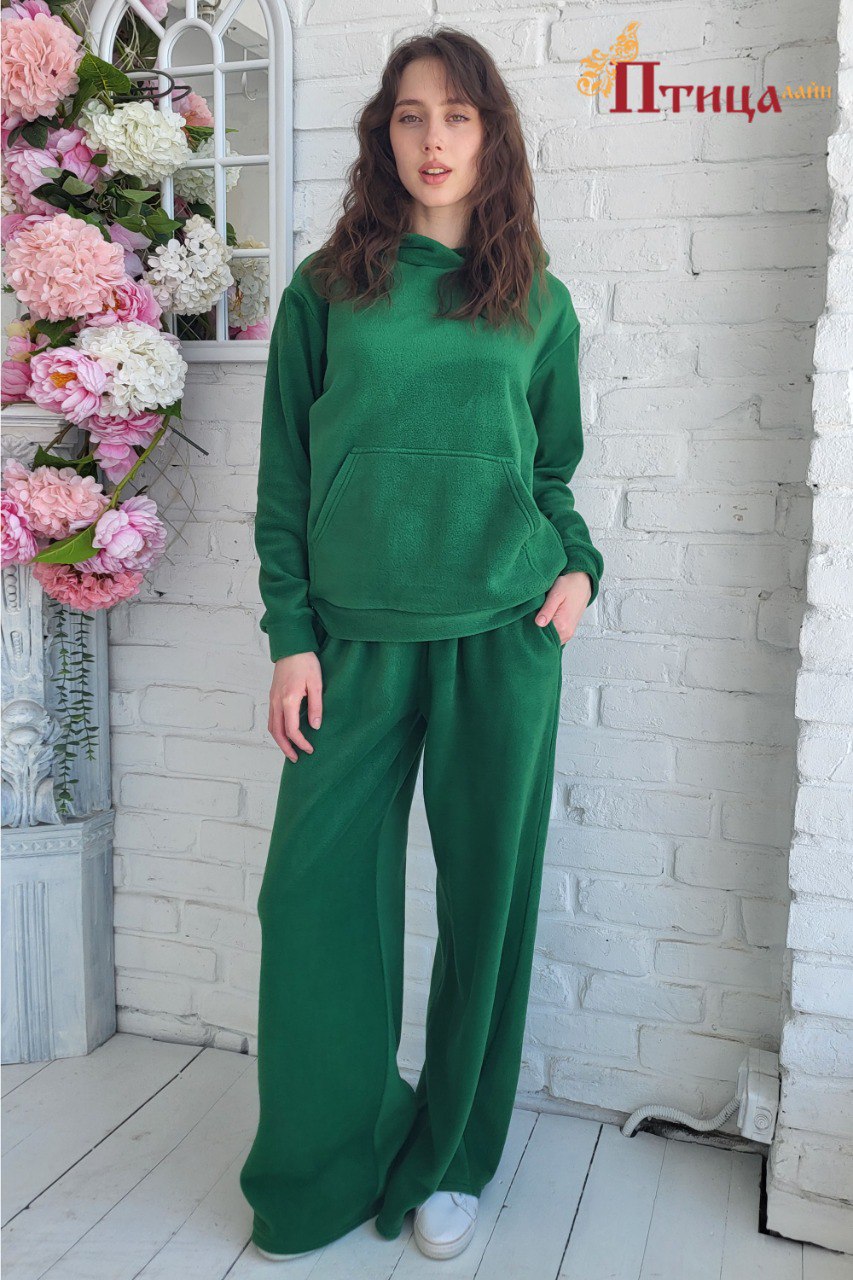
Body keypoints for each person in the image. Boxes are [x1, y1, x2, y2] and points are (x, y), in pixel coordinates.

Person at [238, 27, 604, 1264]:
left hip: (503, 630)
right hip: (351, 643)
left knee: (485, 908)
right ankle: (326, 1161)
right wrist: (291, 635)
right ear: (381, 133)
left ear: (491, 136)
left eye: (457, 115)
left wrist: (578, 567)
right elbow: (284, 477)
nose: (433, 138)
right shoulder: (324, 288)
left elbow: (550, 471)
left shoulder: (536, 300)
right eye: (409, 114)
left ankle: (450, 1156)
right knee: (311, 907)